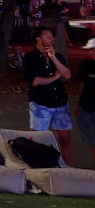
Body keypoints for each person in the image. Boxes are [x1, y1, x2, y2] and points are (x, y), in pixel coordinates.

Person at [22, 27, 73, 164]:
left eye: (52, 36)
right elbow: (35, 81)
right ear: (39, 39)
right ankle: (37, 169)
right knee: (38, 140)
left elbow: (67, 75)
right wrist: (55, 77)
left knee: (65, 140)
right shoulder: (30, 58)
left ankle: (67, 169)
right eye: (48, 36)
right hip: (40, 104)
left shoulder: (58, 56)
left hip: (60, 103)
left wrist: (54, 58)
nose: (52, 39)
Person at [75, 56, 95, 161]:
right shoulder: (87, 64)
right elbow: (82, 85)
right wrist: (79, 105)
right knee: (92, 141)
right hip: (87, 106)